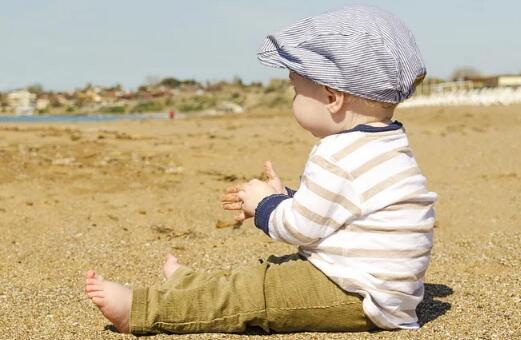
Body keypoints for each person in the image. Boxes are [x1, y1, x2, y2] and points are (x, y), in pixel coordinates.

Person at [85, 5, 436, 334]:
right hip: (384, 290)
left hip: (357, 295)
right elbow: (341, 212)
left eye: (297, 90)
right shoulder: (388, 144)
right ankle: (191, 285)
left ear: (332, 97)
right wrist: (286, 197)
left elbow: (301, 229)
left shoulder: (336, 153)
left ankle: (143, 310)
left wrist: (264, 207)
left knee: (257, 292)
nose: (293, 99)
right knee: (270, 271)